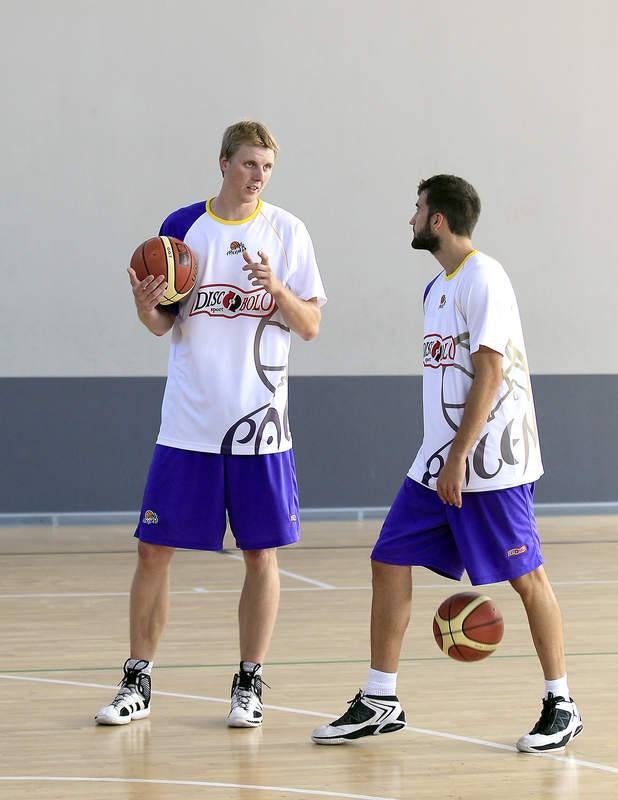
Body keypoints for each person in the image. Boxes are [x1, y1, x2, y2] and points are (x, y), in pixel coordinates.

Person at [311, 174, 582, 753]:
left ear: (437, 220)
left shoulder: (485, 277)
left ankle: (562, 704)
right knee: (388, 559)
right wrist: (444, 456)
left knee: (527, 578)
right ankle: (381, 698)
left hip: (492, 463)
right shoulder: (436, 288)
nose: (410, 219)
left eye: (417, 209)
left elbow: (490, 372)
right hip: (436, 461)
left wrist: (460, 455)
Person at [95, 121, 326, 728]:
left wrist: (276, 288)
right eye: (249, 164)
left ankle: (248, 683)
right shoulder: (182, 227)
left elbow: (309, 326)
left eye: (267, 167)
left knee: (260, 556)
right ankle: (137, 681)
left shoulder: (288, 232)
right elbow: (163, 325)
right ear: (223, 162)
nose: (258, 177)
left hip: (260, 427)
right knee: (153, 551)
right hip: (189, 424)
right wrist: (145, 307)